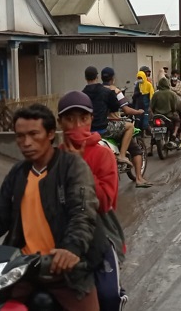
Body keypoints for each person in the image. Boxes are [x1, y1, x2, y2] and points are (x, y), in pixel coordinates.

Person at [0, 104, 104, 311]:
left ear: (51, 134)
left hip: (66, 271)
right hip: (21, 269)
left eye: (34, 134)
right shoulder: (18, 172)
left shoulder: (72, 166)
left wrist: (71, 249)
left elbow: (82, 211)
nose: (26, 142)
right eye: (20, 136)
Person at [57, 92, 127, 310]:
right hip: (61, 235)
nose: (77, 125)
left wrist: (80, 166)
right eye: (70, 119)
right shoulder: (53, 157)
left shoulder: (103, 154)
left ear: (90, 120)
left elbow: (106, 202)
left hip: (100, 234)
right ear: (60, 122)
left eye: (83, 118)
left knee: (107, 296)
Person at [100, 68, 143, 161]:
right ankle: (122, 155)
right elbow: (126, 110)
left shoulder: (97, 90)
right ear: (113, 79)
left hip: (97, 124)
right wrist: (138, 112)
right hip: (111, 125)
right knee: (130, 127)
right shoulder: (115, 91)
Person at [150, 77, 180, 143]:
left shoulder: (155, 94)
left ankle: (152, 141)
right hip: (168, 115)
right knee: (177, 120)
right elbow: (174, 107)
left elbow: (151, 106)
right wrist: (174, 111)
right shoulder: (172, 94)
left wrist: (152, 115)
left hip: (157, 116)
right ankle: (174, 133)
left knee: (152, 125)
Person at [132, 67, 154, 134]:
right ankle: (140, 135)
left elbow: (152, 96)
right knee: (138, 121)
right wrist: (138, 93)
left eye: (140, 78)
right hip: (138, 106)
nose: (139, 80)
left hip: (146, 106)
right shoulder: (137, 85)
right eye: (138, 78)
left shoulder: (148, 84)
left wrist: (150, 106)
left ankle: (150, 133)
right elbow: (134, 96)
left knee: (145, 122)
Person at [169, 70, 181, 142]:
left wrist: (174, 91)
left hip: (178, 103)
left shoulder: (180, 83)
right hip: (169, 103)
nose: (174, 76)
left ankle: (180, 134)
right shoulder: (168, 83)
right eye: (173, 74)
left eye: (176, 74)